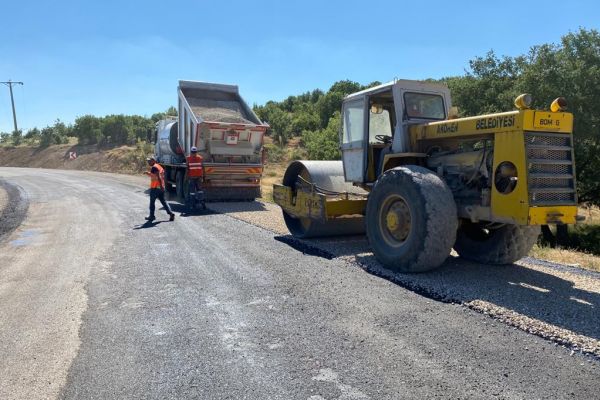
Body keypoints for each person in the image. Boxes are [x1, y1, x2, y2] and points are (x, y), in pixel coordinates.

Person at [145, 156, 175, 222]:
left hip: (155, 188)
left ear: (153, 161)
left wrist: (161, 185)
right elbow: (156, 175)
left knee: (152, 203)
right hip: (160, 188)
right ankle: (171, 213)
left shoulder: (154, 167)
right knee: (163, 201)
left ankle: (151, 216)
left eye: (149, 161)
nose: (148, 162)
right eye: (148, 161)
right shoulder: (159, 166)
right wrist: (148, 173)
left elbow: (158, 176)